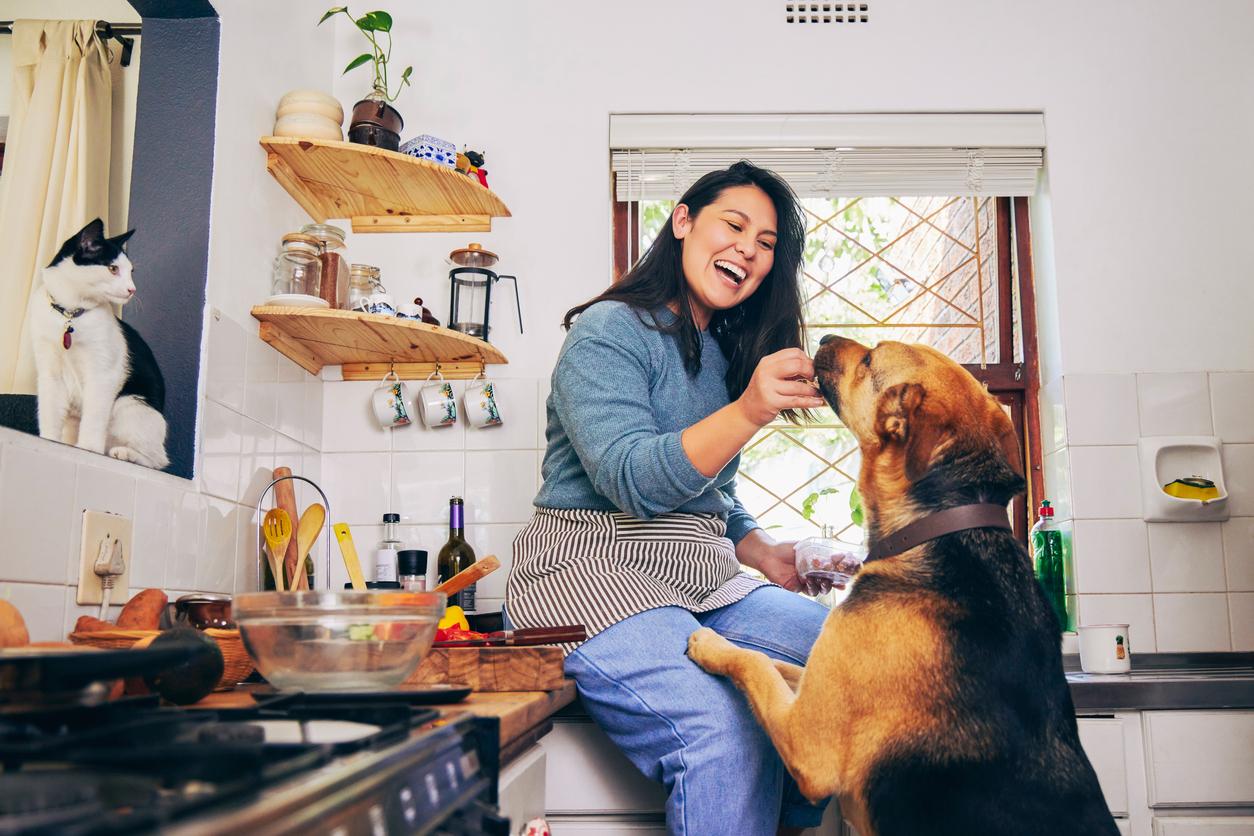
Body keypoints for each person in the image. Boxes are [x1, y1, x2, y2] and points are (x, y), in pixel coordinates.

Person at [505, 161, 834, 835]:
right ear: (683, 221)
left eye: (767, 243)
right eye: (734, 225)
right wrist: (747, 411)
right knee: (725, 728)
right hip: (592, 571)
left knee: (851, 664)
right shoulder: (607, 330)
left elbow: (715, 494)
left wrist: (766, 552)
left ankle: (783, 815)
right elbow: (632, 479)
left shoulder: (722, 352)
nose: (748, 248)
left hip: (701, 575)